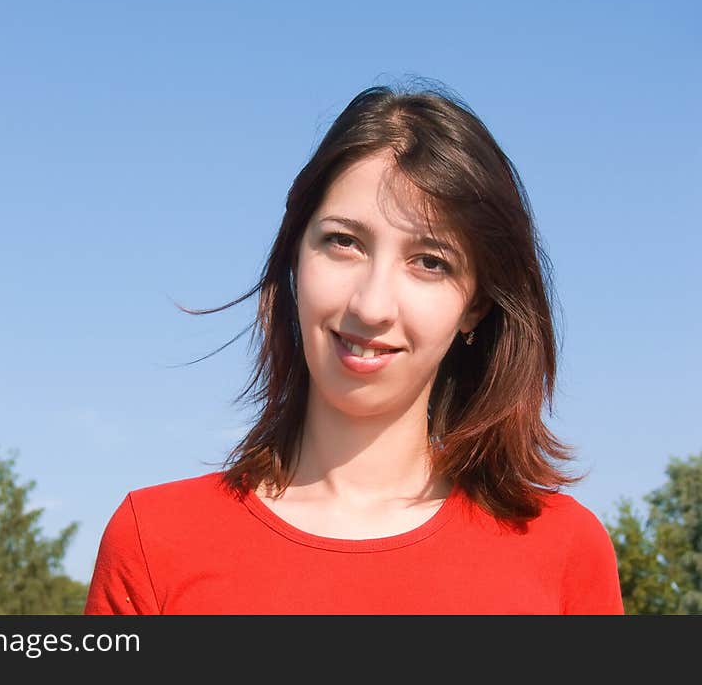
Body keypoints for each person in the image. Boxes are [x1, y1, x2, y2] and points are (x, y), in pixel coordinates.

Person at [84, 82, 624, 614]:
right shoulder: (154, 542)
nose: (371, 305)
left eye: (430, 262)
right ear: (296, 256)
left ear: (476, 307)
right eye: (344, 242)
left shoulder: (563, 550)